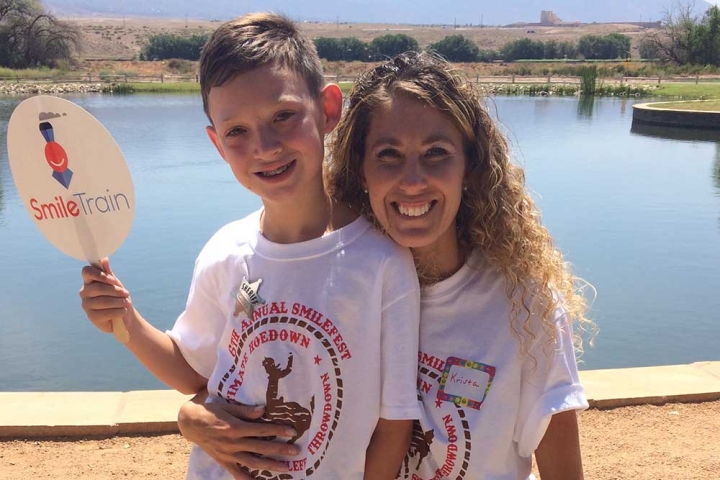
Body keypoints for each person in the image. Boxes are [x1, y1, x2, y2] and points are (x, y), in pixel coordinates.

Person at [178, 51, 594, 480]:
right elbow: (238, 380)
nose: (413, 181)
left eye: (436, 153)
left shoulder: (524, 308)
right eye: (389, 155)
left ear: (469, 166)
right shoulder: (335, 286)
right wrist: (192, 416)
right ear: (361, 169)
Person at [78, 14, 421, 480]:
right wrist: (125, 320)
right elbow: (192, 373)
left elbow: (393, 423)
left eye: (283, 116)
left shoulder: (383, 263)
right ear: (217, 144)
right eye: (237, 131)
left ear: (328, 110)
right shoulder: (225, 252)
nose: (264, 147)